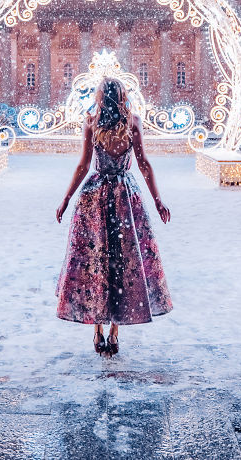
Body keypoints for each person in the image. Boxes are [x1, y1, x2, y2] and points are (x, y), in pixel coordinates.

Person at [55, 76, 172, 357]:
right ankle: (114, 332)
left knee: (96, 263)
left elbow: (83, 165)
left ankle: (97, 329)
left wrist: (67, 198)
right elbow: (143, 164)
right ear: (121, 97)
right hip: (124, 197)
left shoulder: (92, 122)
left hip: (95, 197)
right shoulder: (132, 123)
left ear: (100, 97)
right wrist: (157, 201)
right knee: (121, 263)